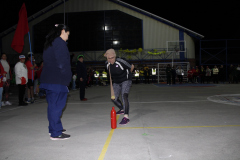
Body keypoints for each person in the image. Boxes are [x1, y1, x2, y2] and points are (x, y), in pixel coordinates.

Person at [40, 24, 72, 140]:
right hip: (57, 80)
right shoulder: (59, 42)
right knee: (57, 106)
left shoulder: (49, 43)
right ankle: (56, 133)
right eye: (67, 34)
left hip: (48, 80)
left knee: (52, 106)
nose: (68, 37)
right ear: (63, 31)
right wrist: (66, 77)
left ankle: (53, 128)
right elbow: (62, 62)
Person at [104, 49, 134, 125]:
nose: (111, 60)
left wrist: (129, 75)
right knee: (113, 98)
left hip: (126, 80)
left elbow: (131, 67)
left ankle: (126, 117)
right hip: (116, 82)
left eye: (112, 57)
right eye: (109, 58)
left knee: (124, 96)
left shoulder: (121, 61)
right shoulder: (106, 64)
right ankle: (122, 109)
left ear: (115, 56)